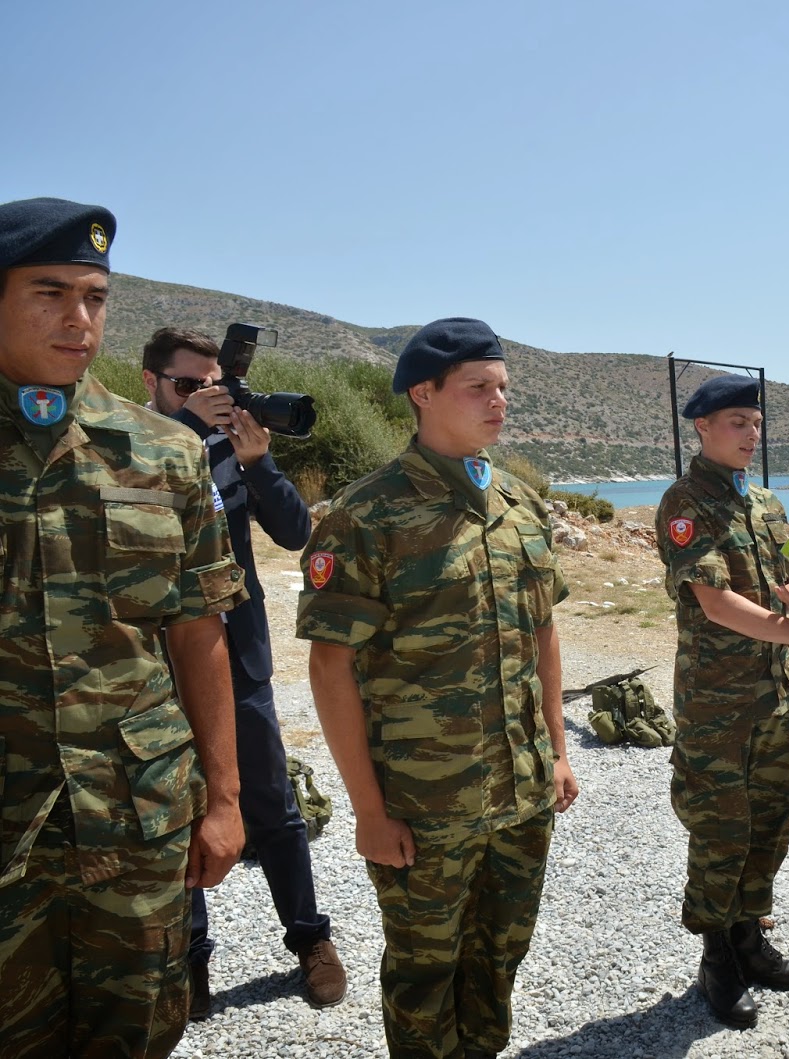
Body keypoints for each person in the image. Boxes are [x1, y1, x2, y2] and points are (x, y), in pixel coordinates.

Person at [0, 197, 247, 1057]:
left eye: (96, 297)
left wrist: (224, 797)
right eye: (50, 292)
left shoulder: (162, 451)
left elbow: (197, 630)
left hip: (136, 824)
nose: (79, 319)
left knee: (138, 1034)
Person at [297, 318, 579, 1059]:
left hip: (520, 791)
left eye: (504, 387)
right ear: (423, 393)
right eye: (479, 387)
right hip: (424, 803)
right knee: (424, 977)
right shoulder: (367, 513)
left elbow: (544, 631)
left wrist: (555, 749)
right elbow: (330, 668)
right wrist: (365, 808)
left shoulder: (520, 503)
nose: (499, 402)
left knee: (497, 961)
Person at [140, 327, 346, 1018]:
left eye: (213, 386)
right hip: (162, 661)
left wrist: (259, 464)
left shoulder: (234, 446)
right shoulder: (132, 444)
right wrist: (179, 431)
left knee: (271, 803)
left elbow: (294, 533)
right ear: (150, 382)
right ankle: (190, 959)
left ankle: (311, 940)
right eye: (187, 385)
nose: (206, 398)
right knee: (179, 804)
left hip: (241, 658)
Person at [655, 374, 789, 1028]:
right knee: (722, 828)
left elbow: (764, 583)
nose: (751, 433)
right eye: (737, 421)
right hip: (717, 702)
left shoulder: (762, 501)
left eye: (756, 421)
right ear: (703, 427)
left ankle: (750, 938)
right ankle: (717, 958)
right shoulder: (686, 502)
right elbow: (714, 600)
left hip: (770, 694)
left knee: (771, 817)